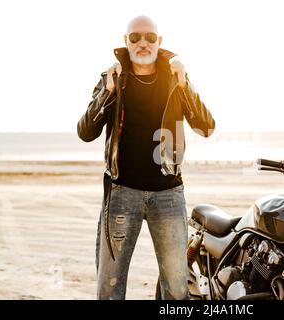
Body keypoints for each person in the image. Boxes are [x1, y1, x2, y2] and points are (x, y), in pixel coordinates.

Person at [77, 15, 215, 300]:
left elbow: (206, 127)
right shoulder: (112, 80)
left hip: (168, 194)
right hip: (120, 193)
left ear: (159, 41)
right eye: (136, 37)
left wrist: (185, 83)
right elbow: (85, 132)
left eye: (150, 37)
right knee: (110, 287)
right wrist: (108, 92)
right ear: (125, 42)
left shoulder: (176, 80)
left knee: (177, 289)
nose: (143, 43)